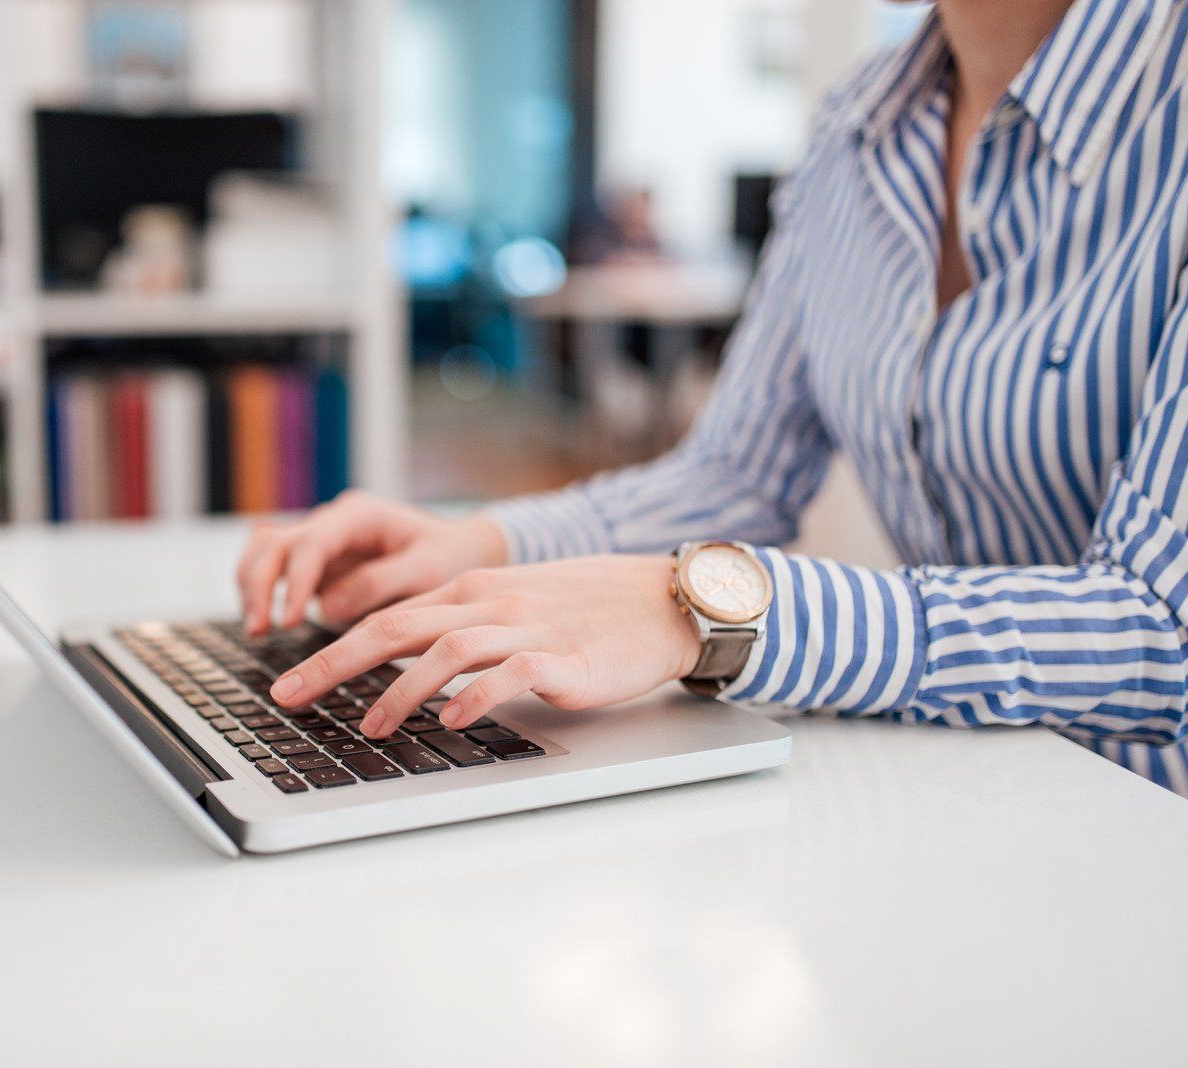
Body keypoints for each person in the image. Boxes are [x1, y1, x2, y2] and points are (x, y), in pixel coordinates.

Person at [238, 0, 1188, 797]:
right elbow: (739, 474)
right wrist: (478, 545)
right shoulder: (858, 126)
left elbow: (1164, 624)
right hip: (953, 792)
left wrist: (711, 613)